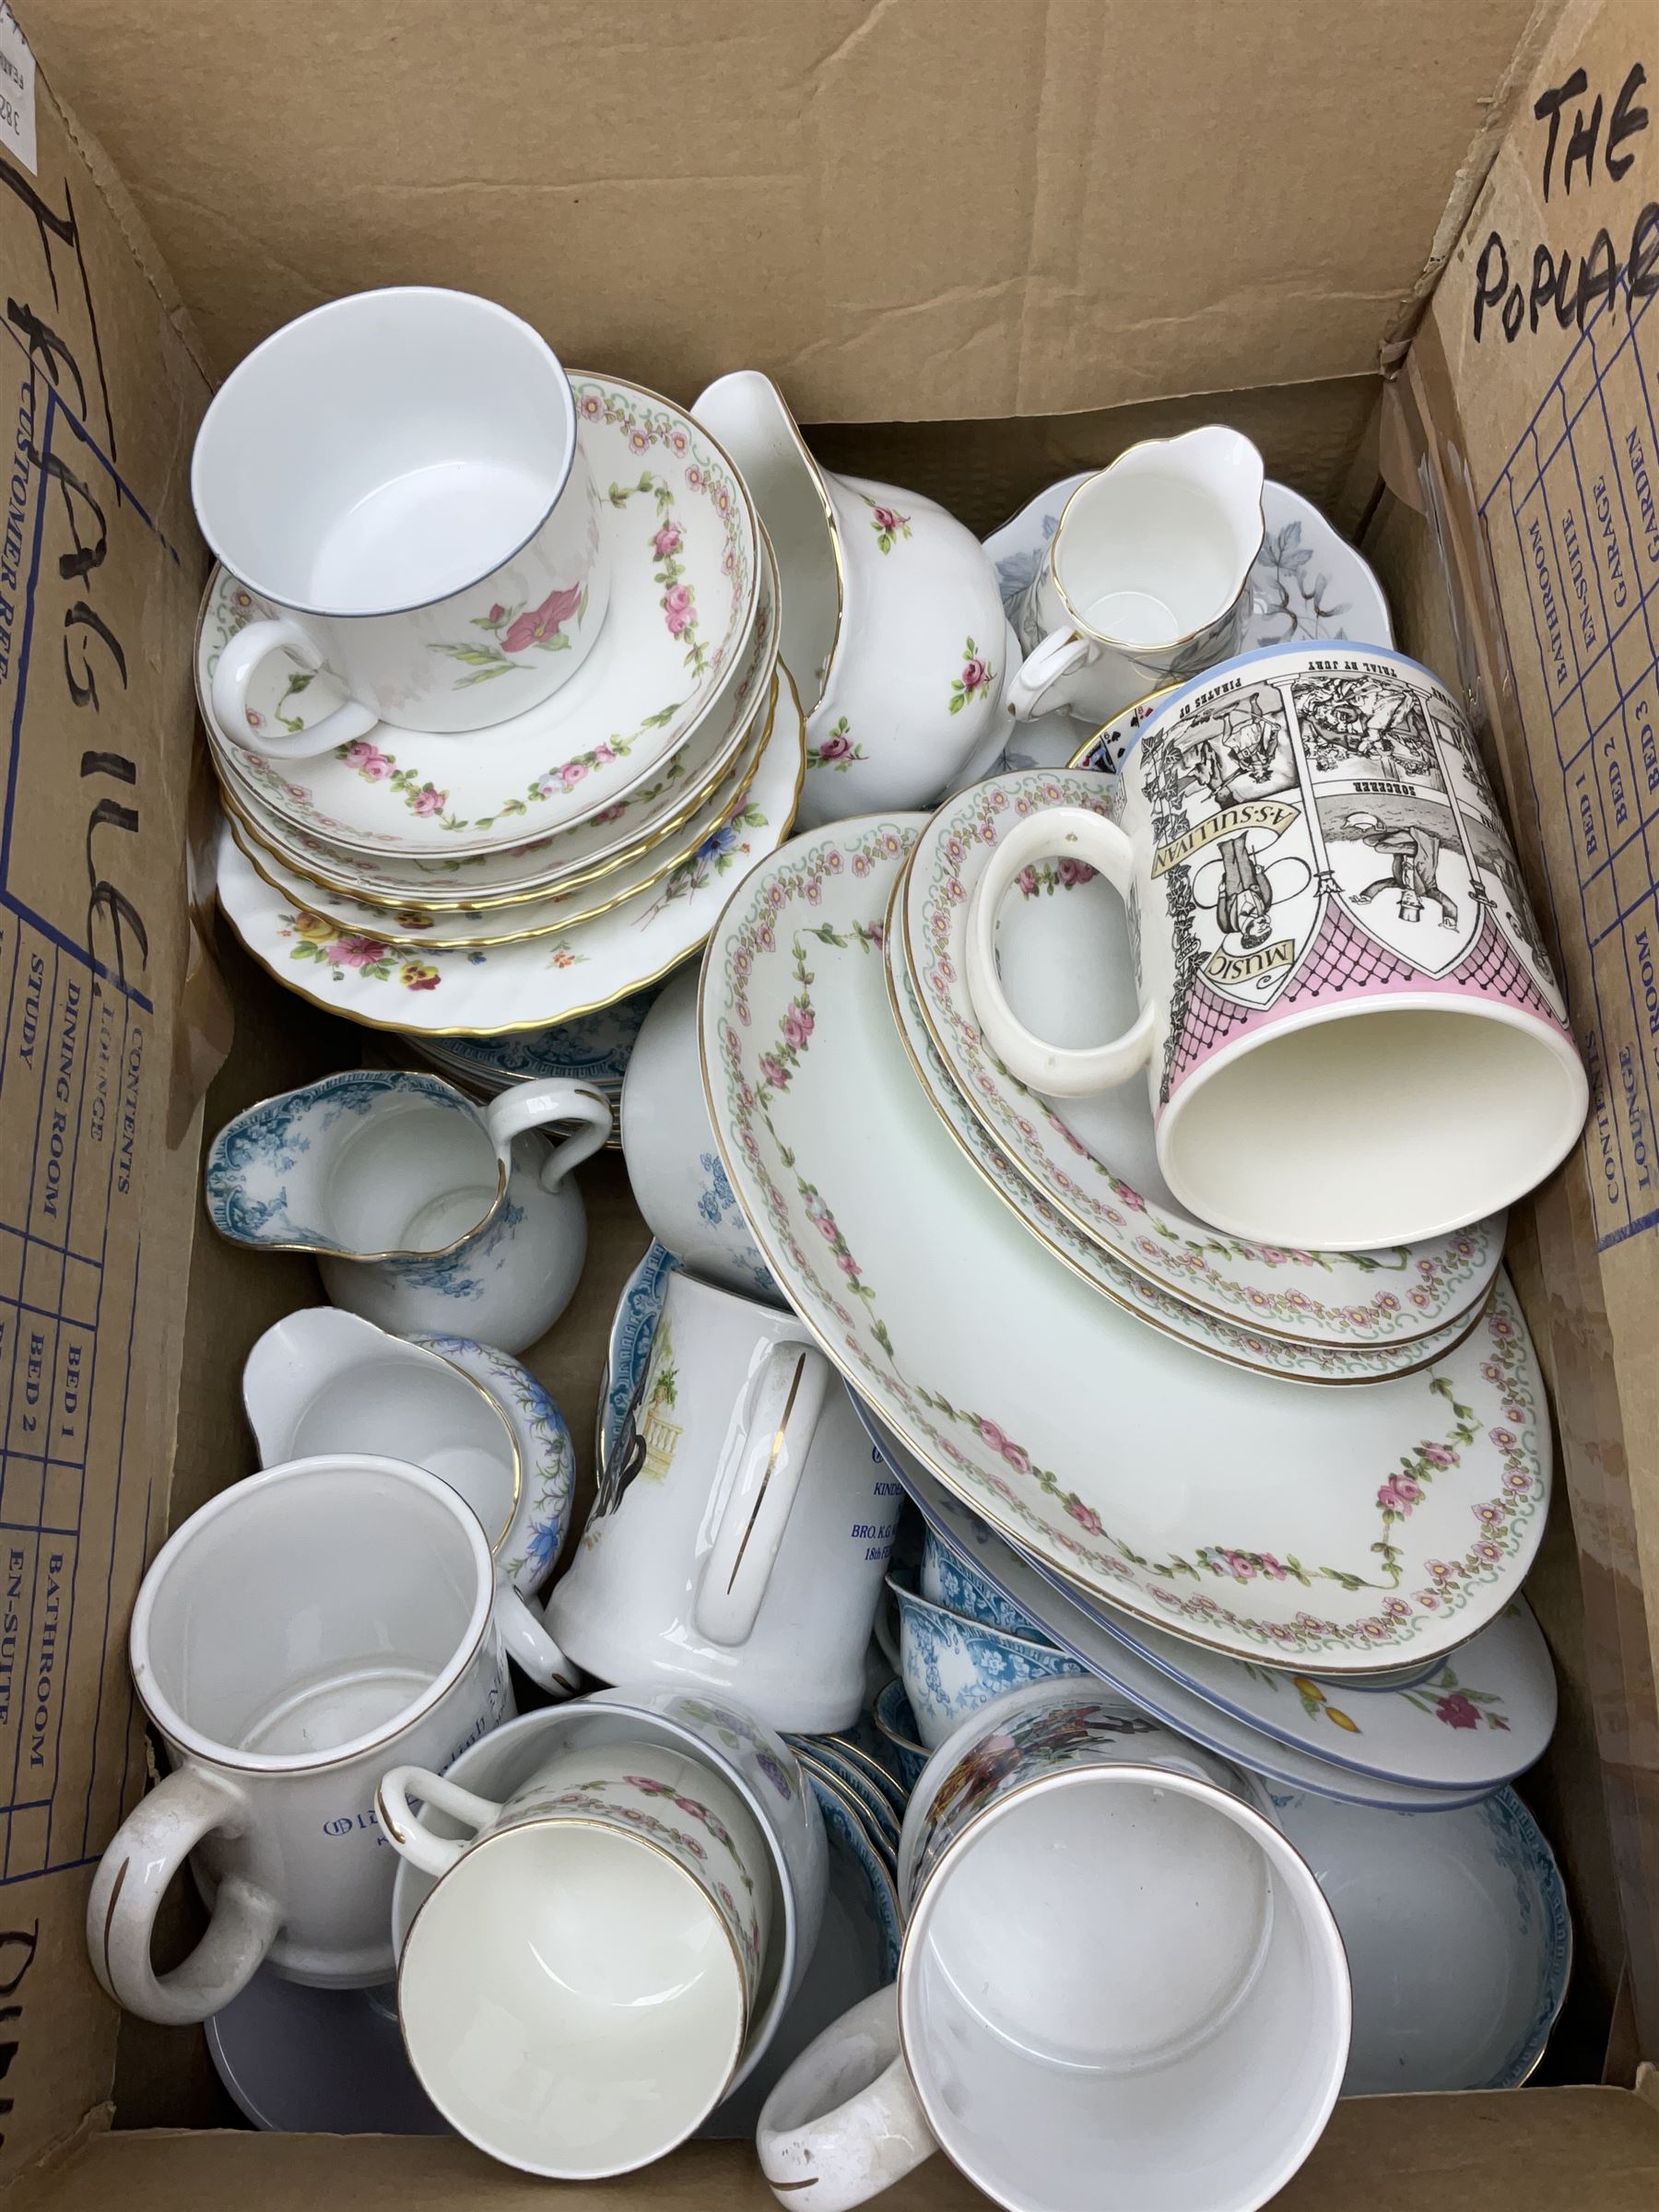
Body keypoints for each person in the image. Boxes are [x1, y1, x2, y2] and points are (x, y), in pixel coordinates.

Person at [1345, 810, 1459, 929]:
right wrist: (1451, 918)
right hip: (1420, 848)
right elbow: (1448, 904)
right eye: (1411, 903)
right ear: (1419, 902)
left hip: (1405, 847)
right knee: (1380, 847)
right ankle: (1404, 833)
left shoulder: (1401, 884)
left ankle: (1397, 833)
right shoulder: (1429, 890)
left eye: (1405, 902)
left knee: (1368, 841)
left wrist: (1367, 896)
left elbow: (1380, 885)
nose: (1407, 899)